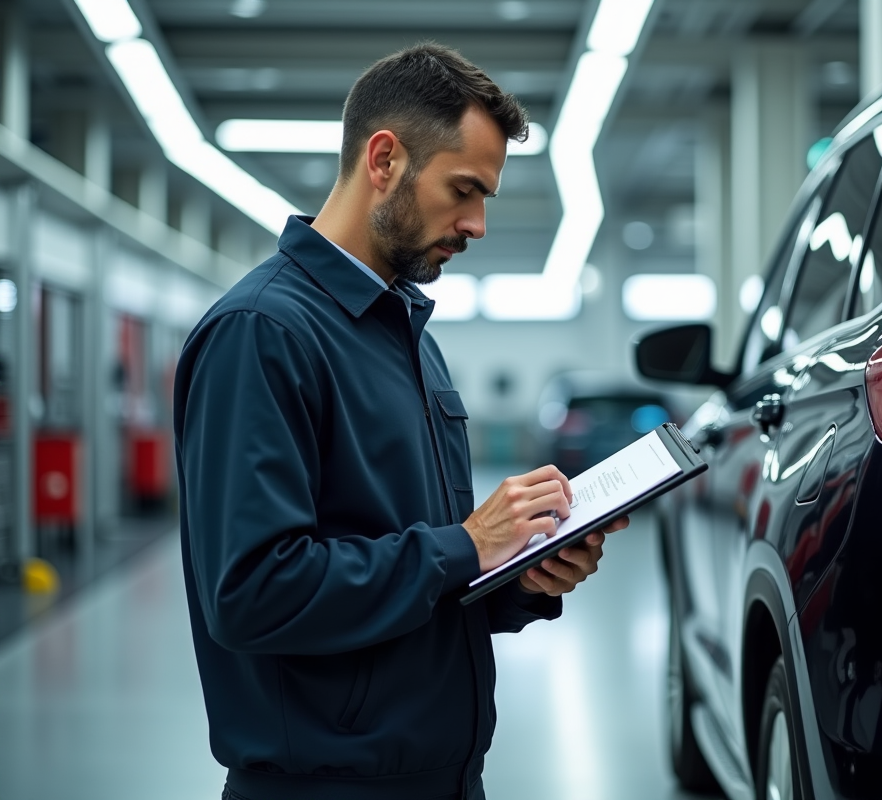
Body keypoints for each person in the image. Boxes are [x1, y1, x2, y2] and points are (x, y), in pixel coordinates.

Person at [172, 43, 628, 800]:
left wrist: (518, 576)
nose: (477, 223)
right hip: (328, 785)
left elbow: (423, 566)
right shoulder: (263, 333)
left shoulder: (411, 339)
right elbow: (251, 591)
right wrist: (464, 546)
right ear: (383, 159)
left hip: (446, 777)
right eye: (464, 190)